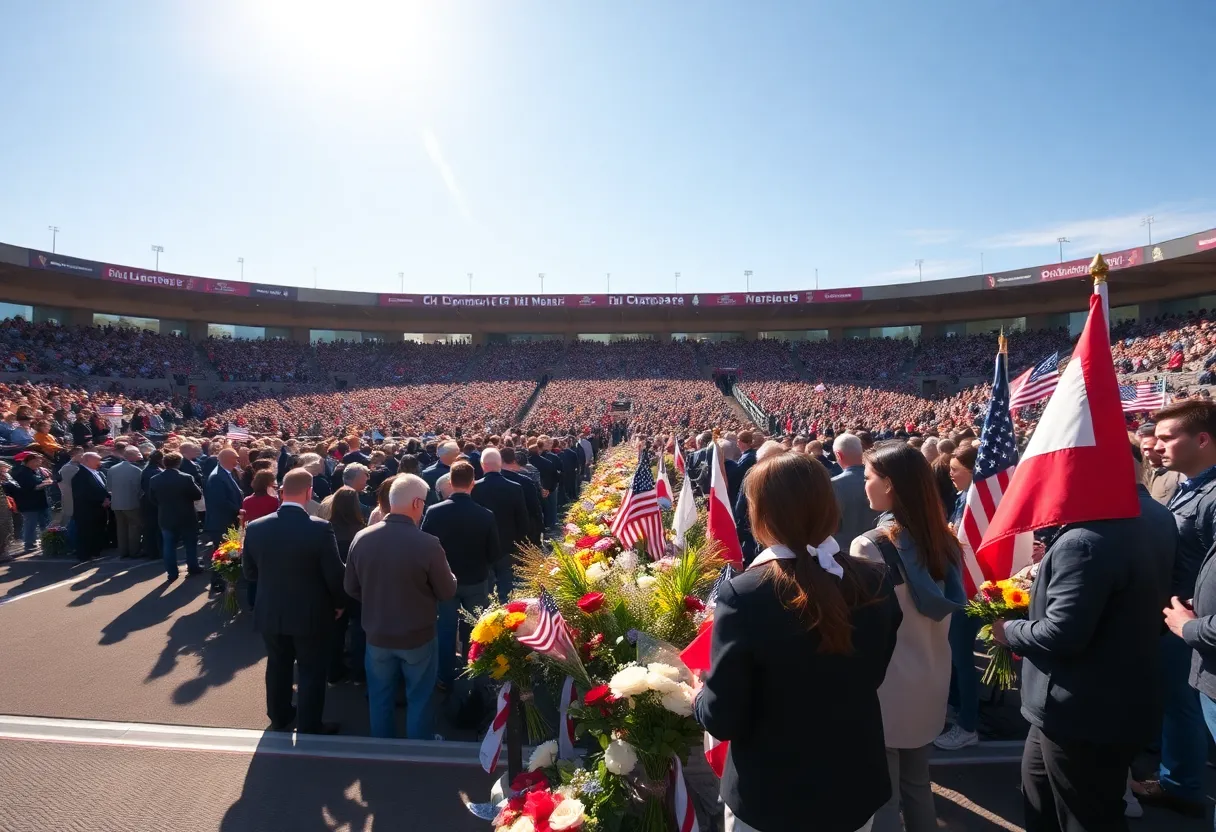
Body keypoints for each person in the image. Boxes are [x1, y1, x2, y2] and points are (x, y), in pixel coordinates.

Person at [694, 452, 902, 832]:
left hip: (771, 793)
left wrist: (698, 694)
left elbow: (722, 716)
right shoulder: (875, 579)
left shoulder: (745, 595)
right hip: (852, 782)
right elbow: (872, 673)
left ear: (762, 513)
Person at [995, 454, 1168, 832]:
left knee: (1084, 815)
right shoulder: (1143, 521)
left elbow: (1063, 633)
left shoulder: (1083, 542)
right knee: (1039, 793)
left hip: (1080, 708)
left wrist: (1008, 630)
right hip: (1097, 702)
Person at [852, 442, 964, 832]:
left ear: (890, 485)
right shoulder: (945, 539)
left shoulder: (871, 545)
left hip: (887, 685)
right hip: (932, 677)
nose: (864, 486)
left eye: (868, 478)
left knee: (882, 793)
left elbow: (862, 627)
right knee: (918, 785)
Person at [1131, 400, 1216, 816]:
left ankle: (1182, 785)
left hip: (1193, 627)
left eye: (1168, 437)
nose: (1156, 445)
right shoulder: (1190, 486)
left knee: (1184, 708)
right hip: (1178, 621)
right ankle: (1179, 778)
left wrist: (1194, 623)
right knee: (1178, 706)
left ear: (1202, 439)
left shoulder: (1212, 496)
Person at [344, 474, 457, 740]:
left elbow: (350, 586)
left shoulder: (362, 538)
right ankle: (419, 748)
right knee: (419, 695)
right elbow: (446, 590)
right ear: (417, 503)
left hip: (377, 633)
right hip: (417, 635)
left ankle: (383, 747)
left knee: (380, 696)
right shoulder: (427, 544)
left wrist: (377, 601)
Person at [243, 468, 346, 735]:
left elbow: (249, 573)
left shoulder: (256, 527)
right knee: (311, 670)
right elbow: (334, 574)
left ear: (281, 492)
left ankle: (279, 716)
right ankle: (310, 723)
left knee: (278, 665)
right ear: (309, 492)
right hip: (310, 613)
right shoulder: (320, 529)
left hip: (271, 610)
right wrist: (339, 603)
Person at [421, 461, 500, 690]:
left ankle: (445, 677)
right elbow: (494, 552)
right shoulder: (485, 515)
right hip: (475, 579)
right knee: (473, 629)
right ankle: (472, 673)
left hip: (444, 580)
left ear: (450, 482)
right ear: (472, 483)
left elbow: (425, 545)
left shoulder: (435, 512)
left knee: (445, 629)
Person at [936, 444, 981, 751]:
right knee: (956, 656)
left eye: (955, 469)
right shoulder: (963, 498)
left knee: (963, 659)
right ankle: (958, 709)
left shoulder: (975, 503)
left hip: (970, 588)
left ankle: (969, 725)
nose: (949, 474)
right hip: (958, 584)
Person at [472, 448, 529, 603]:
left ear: (483, 465)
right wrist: (520, 543)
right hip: (507, 543)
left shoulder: (474, 488)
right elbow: (522, 518)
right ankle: (507, 617)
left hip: (482, 545)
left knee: (487, 589)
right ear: (500, 464)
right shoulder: (514, 487)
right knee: (506, 585)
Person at [327, 486, 366, 684]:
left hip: (334, 588)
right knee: (359, 630)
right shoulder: (361, 531)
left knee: (335, 632)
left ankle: (333, 673)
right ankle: (359, 673)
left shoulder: (327, 529)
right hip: (358, 588)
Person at [149, 452, 205, 580]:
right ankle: (193, 566)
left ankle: (172, 572)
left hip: (166, 516)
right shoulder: (186, 478)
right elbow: (197, 494)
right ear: (179, 463)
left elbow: (152, 498)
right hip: (186, 516)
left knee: (168, 546)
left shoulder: (155, 479)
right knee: (190, 544)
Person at [830, 433, 879, 550]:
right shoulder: (880, 480)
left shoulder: (832, 485)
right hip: (878, 551)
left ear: (838, 455)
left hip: (845, 554)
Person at [8, 451, 53, 553]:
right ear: (30, 461)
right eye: (37, 461)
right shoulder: (22, 473)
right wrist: (45, 484)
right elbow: (31, 487)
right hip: (29, 504)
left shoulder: (36, 471)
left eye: (40, 461)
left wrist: (45, 482)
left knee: (45, 523)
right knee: (30, 524)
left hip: (41, 502)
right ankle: (29, 544)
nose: (39, 463)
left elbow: (41, 481)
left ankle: (47, 542)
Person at [106, 447, 146, 558]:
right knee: (134, 527)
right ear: (132, 456)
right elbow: (140, 488)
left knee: (121, 528)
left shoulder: (112, 469)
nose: (140, 455)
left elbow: (108, 487)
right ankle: (134, 551)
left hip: (116, 504)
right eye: (138, 453)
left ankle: (123, 551)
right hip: (132, 503)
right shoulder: (136, 470)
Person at [71, 452, 110, 561]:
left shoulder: (96, 472)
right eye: (97, 460)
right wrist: (100, 501)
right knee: (85, 533)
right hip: (87, 511)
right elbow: (82, 494)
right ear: (88, 460)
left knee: (96, 531)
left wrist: (106, 498)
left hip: (98, 509)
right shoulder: (80, 474)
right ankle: (84, 556)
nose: (100, 463)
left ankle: (94, 552)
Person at [1138, 423, 1182, 506]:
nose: (1147, 453)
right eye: (1144, 448)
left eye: (1151, 448)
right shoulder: (1141, 471)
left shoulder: (1179, 474)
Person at [139, 450, 164, 560]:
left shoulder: (147, 470)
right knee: (155, 528)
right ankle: (155, 552)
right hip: (153, 503)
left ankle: (152, 551)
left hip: (147, 502)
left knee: (150, 528)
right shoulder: (155, 472)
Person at [58, 446, 83, 554]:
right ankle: (71, 545)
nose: (82, 456)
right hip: (72, 498)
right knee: (73, 522)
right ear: (74, 455)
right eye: (80, 454)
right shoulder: (69, 468)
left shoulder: (76, 466)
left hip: (76, 498)